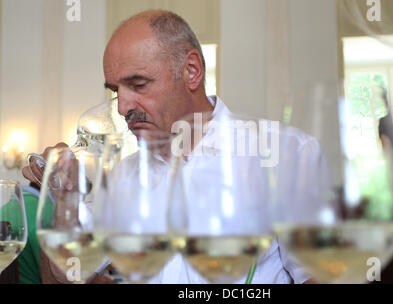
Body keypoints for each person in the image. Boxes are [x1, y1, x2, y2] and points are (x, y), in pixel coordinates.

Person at [22, 10, 320, 284]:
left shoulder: (286, 153)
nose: (123, 107)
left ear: (191, 71)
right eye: (115, 91)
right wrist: (65, 200)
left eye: (138, 85)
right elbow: (66, 276)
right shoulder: (123, 175)